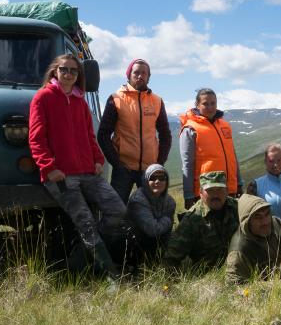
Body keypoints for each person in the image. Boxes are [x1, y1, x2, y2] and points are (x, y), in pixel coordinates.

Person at [28, 54, 126, 282]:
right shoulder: (43, 98)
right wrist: (49, 167)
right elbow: (36, 138)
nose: (69, 74)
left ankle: (78, 260)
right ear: (55, 71)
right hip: (60, 175)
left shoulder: (80, 101)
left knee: (118, 211)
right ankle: (112, 276)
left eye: (74, 71)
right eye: (65, 69)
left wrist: (98, 160)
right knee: (85, 222)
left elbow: (89, 136)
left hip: (89, 172)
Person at [97, 59, 172, 203]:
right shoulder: (116, 99)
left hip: (150, 168)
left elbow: (165, 134)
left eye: (144, 73)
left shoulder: (157, 101)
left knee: (152, 209)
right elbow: (103, 134)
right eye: (136, 72)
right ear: (129, 75)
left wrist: (160, 162)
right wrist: (116, 163)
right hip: (123, 168)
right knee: (116, 210)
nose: (140, 76)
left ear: (149, 77)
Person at [179, 88, 242, 210]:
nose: (210, 107)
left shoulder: (225, 125)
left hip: (230, 189)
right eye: (205, 103)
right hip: (208, 191)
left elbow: (232, 156)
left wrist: (239, 183)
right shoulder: (190, 129)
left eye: (213, 103)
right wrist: (188, 195)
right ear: (197, 105)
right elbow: (187, 164)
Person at [162, 171, 239, 270]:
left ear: (227, 191)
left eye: (220, 190)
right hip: (208, 275)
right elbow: (171, 257)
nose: (216, 195)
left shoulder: (237, 207)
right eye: (210, 190)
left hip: (238, 268)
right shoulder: (192, 219)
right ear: (201, 193)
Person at [125, 163, 175, 264]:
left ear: (167, 181)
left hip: (156, 242)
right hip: (136, 245)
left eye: (162, 178)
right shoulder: (138, 200)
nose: (157, 181)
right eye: (153, 178)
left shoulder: (170, 201)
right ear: (146, 180)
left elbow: (167, 234)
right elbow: (152, 230)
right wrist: (167, 220)